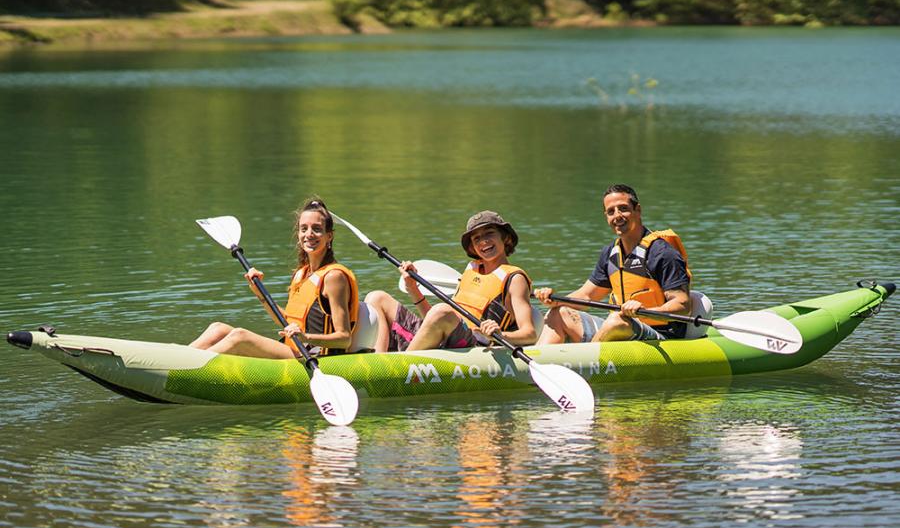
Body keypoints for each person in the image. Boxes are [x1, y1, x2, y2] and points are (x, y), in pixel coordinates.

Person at [191, 198, 359, 358]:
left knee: (240, 336)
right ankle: (176, 359)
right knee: (217, 329)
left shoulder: (333, 277)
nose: (309, 234)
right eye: (304, 228)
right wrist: (260, 293)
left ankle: (187, 369)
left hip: (313, 356)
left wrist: (305, 337)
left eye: (316, 229)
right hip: (291, 349)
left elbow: (344, 338)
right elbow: (285, 322)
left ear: (329, 236)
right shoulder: (302, 273)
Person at [534, 184, 691, 343]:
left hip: (662, 336)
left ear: (638, 210)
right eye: (611, 211)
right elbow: (587, 295)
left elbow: (683, 304)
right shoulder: (610, 254)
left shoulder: (662, 253)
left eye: (623, 208)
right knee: (558, 313)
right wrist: (555, 300)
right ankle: (534, 363)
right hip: (621, 328)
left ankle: (590, 362)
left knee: (616, 319)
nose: (617, 215)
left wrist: (644, 312)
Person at [364, 211, 537, 353]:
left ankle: (400, 368)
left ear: (505, 238)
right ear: (472, 247)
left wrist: (499, 335)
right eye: (476, 238)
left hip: (473, 346)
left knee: (442, 311)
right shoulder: (471, 271)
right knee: (376, 298)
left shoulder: (515, 279)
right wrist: (413, 289)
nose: (483, 241)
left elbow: (530, 334)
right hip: (444, 337)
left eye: (489, 233)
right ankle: (380, 360)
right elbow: (435, 321)